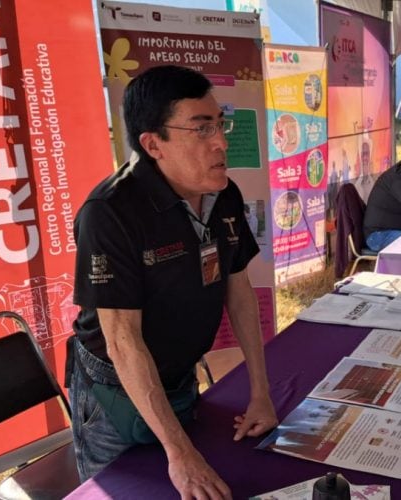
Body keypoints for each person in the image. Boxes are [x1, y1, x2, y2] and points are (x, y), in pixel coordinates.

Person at [69, 65, 278, 498]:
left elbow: (238, 291)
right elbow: (122, 340)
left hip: (180, 375)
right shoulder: (110, 213)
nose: (222, 141)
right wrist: (179, 454)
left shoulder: (224, 195)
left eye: (221, 124)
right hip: (114, 391)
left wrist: (261, 391)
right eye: (202, 130)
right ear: (153, 144)